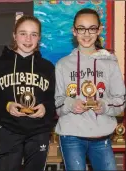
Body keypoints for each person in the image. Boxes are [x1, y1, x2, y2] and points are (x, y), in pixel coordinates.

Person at [55, 8, 125, 171]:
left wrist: (104, 105)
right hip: (71, 135)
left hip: (102, 137)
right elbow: (57, 104)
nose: (86, 34)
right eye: (81, 28)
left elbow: (120, 100)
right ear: (74, 31)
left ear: (99, 30)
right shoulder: (62, 65)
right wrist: (71, 104)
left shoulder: (110, 63)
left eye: (92, 28)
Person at [0, 15, 55, 171]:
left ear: (39, 37)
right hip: (9, 130)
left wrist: (45, 108)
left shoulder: (47, 68)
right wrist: (7, 106)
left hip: (39, 132)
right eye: (23, 33)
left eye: (34, 34)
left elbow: (53, 101)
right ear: (14, 35)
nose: (28, 39)